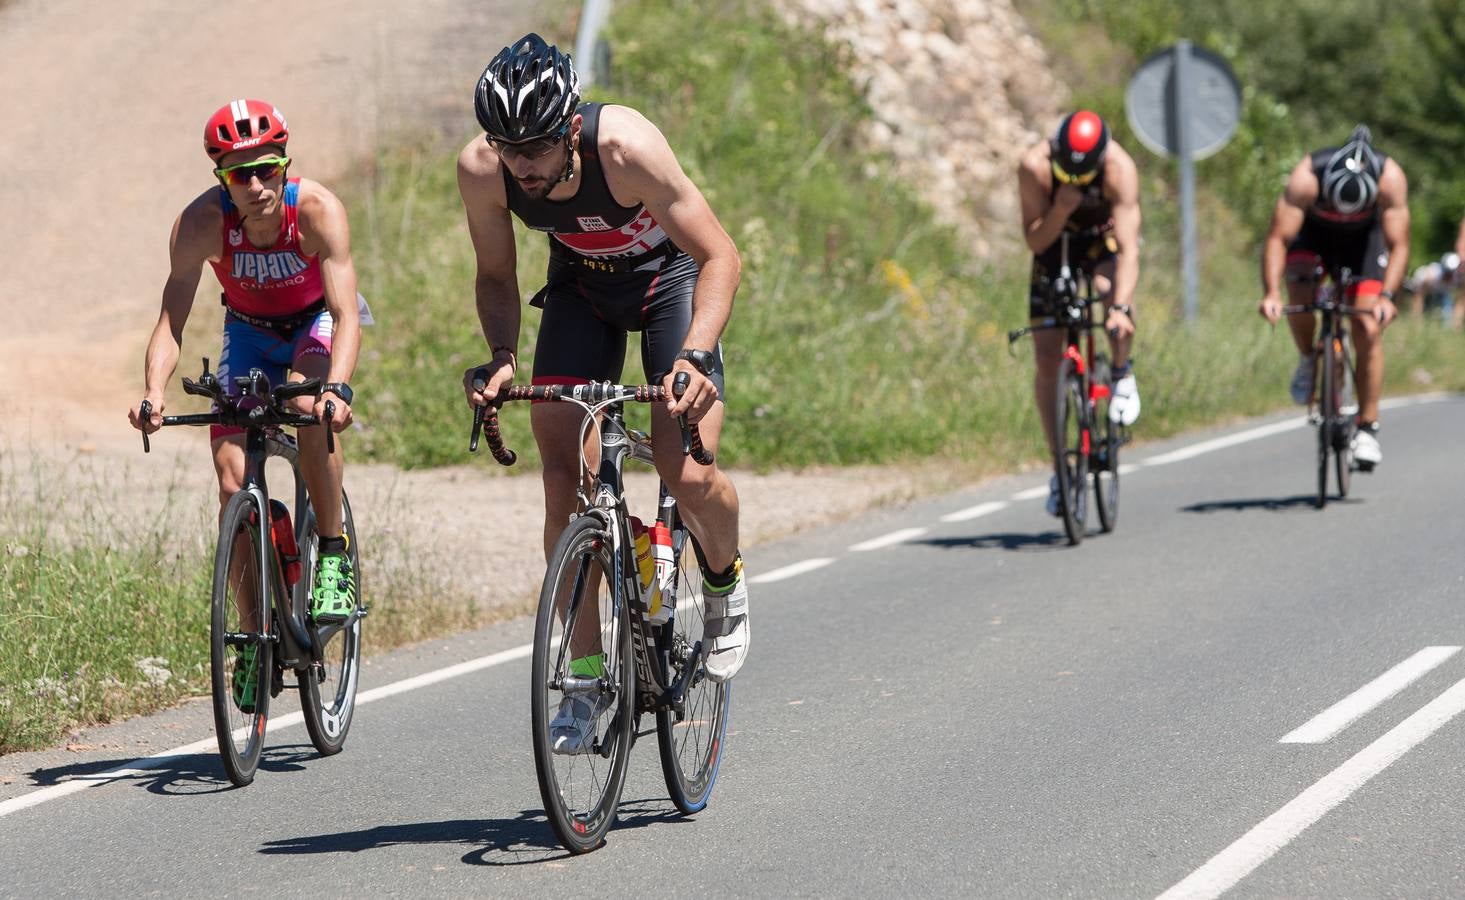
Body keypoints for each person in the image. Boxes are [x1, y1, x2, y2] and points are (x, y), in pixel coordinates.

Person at [457, 35, 750, 752]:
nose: (520, 164)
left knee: (688, 473)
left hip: (669, 286)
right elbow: (495, 276)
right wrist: (500, 357)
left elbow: (720, 255)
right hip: (580, 292)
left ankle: (721, 581)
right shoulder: (482, 169)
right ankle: (586, 677)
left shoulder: (624, 147)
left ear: (568, 129)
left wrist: (695, 355)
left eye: (535, 147)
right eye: (506, 145)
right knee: (563, 483)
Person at [128, 99, 363, 706]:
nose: (255, 185)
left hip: (314, 325)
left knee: (313, 412)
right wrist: (153, 392)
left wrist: (336, 388)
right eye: (239, 174)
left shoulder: (316, 210)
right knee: (233, 483)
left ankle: (332, 555)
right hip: (250, 330)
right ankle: (254, 634)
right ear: (220, 177)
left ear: (285, 164)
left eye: (267, 168)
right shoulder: (199, 225)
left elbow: (344, 314)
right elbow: (171, 320)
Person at [1258, 125, 1407, 468]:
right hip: (1314, 234)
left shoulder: (1390, 179)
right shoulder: (1306, 178)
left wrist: (1387, 297)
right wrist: (1270, 293)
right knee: (1298, 284)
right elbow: (1278, 239)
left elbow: (1399, 245)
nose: (1343, 215)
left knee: (1367, 328)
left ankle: (1367, 427)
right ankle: (1309, 358)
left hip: (1363, 244)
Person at [1017, 110, 1142, 516]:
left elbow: (1128, 249)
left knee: (1111, 295)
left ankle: (1121, 373)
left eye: (1081, 176)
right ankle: (1061, 467)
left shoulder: (1118, 168)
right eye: (1065, 172)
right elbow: (1035, 241)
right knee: (1046, 358)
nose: (1072, 180)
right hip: (1054, 243)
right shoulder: (1034, 166)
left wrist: (1120, 309)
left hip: (1100, 240)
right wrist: (1060, 209)